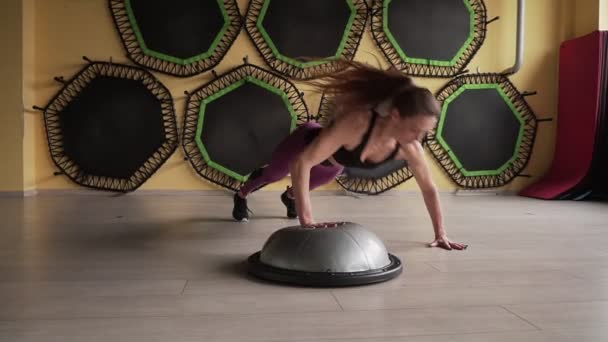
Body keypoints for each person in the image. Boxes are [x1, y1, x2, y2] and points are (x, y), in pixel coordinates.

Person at [231, 60, 467, 251]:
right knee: (274, 173)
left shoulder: (410, 147)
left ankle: (290, 197)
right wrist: (308, 221)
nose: (418, 138)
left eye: (424, 132)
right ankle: (241, 194)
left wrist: (441, 234)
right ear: (395, 115)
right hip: (305, 143)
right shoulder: (357, 124)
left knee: (300, 189)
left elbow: (429, 189)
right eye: (414, 129)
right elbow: (302, 162)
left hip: (333, 166)